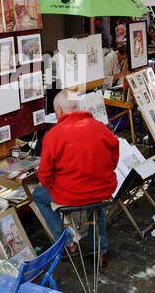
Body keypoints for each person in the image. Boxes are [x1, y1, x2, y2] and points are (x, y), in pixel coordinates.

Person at [33, 89, 119, 267]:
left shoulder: (53, 136)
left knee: (38, 196)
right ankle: (100, 253)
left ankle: (68, 244)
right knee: (97, 203)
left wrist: (54, 185)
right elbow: (114, 159)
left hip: (69, 195)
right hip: (100, 189)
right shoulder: (101, 128)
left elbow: (44, 175)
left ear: (59, 112)